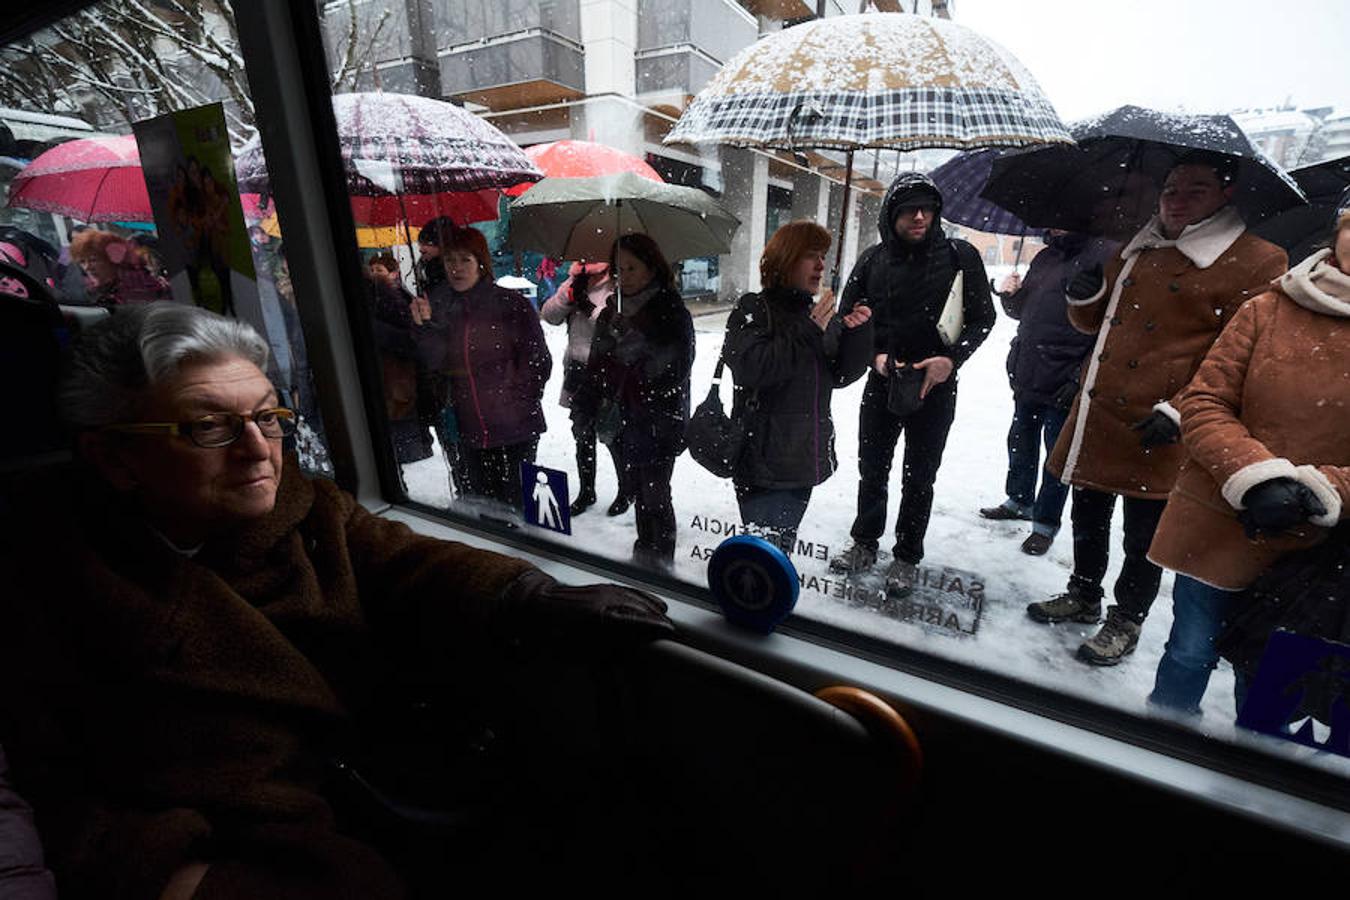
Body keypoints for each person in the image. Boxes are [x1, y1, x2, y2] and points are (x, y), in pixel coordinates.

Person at [0, 303, 671, 899]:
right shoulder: (45, 577)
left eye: (268, 417)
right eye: (209, 427)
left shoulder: (305, 510)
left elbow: (404, 560)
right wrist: (163, 872)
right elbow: (50, 784)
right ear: (113, 458)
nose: (258, 450)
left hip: (365, 789)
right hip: (227, 845)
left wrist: (530, 595)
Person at [1026, 151, 1289, 666]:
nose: (1177, 201)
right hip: (1101, 409)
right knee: (1088, 512)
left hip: (1162, 420)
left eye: (1196, 190)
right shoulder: (1137, 245)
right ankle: (1083, 593)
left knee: (1143, 532)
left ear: (1226, 194)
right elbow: (1095, 325)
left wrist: (1182, 410)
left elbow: (1242, 356)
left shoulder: (1256, 259)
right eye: (1171, 189)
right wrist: (1085, 297)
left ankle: (1126, 618)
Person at [1144, 204, 1350, 714]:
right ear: (1339, 231)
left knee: (1273, 684)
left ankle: (1248, 763)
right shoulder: (1267, 308)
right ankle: (1159, 748)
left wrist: (1320, 489)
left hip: (1316, 551)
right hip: (1219, 520)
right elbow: (1204, 400)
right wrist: (1256, 476)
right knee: (1188, 653)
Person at [829, 172, 995, 597]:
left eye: (926, 209)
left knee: (919, 476)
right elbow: (848, 316)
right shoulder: (873, 260)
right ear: (892, 215)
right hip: (883, 381)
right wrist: (874, 355)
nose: (919, 216)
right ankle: (865, 542)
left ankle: (906, 555)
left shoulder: (960, 256)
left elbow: (983, 318)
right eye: (908, 210)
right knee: (873, 468)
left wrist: (950, 360)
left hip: (934, 385)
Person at [722, 220, 873, 555]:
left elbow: (840, 374)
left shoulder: (815, 314)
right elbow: (752, 368)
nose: (820, 265)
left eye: (822, 256)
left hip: (803, 457)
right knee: (763, 555)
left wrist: (857, 333)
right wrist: (810, 329)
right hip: (763, 459)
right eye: (810, 255)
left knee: (779, 550)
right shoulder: (754, 309)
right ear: (785, 259)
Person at [979, 230, 1116, 556]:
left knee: (1057, 456)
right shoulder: (1045, 257)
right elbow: (1022, 311)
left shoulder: (1104, 257)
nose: (1056, 227)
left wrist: (1079, 377)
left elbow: (1108, 326)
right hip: (1029, 368)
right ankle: (1020, 500)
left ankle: (1044, 524)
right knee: (1020, 440)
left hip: (1066, 376)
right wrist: (1011, 295)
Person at [574, 235, 693, 570]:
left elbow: (676, 370)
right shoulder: (612, 311)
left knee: (655, 494)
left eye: (631, 267)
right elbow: (597, 364)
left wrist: (634, 345)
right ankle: (643, 554)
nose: (623, 276)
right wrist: (587, 402)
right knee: (637, 490)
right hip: (622, 417)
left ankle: (661, 564)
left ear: (652, 268)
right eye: (618, 268)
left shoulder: (671, 311)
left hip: (657, 420)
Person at [427, 225, 551, 506]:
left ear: (481, 263)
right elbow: (432, 361)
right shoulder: (440, 307)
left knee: (517, 504)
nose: (456, 268)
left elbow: (538, 361)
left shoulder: (511, 304)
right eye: (450, 260)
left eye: (465, 259)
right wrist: (424, 326)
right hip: (464, 426)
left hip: (513, 427)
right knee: (477, 504)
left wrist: (513, 400)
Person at [539, 261, 632, 516]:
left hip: (607, 370)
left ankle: (626, 490)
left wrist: (588, 307)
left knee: (612, 434)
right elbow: (549, 315)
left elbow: (618, 327)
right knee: (582, 434)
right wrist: (568, 297)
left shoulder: (616, 285)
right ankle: (586, 491)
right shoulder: (574, 281)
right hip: (578, 370)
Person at [69, 229, 171, 307]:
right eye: (82, 262)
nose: (87, 267)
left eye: (93, 260)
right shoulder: (97, 290)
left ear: (112, 260)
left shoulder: (136, 287)